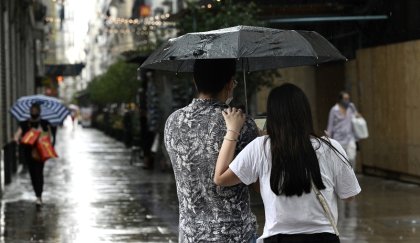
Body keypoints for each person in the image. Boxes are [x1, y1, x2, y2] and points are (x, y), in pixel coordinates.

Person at [214, 83, 361, 243]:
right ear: (305, 113)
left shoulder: (260, 146)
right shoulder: (329, 147)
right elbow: (349, 195)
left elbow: (220, 178)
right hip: (323, 237)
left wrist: (233, 130)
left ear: (273, 115)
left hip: (278, 238)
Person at [164, 59, 259, 242]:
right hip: (235, 234)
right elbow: (256, 181)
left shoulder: (173, 122)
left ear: (195, 80)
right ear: (230, 84)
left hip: (191, 234)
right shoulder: (242, 124)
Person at [13, 103, 52, 206]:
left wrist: (41, 134)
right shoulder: (25, 123)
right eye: (32, 110)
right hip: (28, 153)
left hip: (40, 153)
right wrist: (21, 139)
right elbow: (16, 136)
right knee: (33, 174)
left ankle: (39, 196)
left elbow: (49, 137)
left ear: (39, 111)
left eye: (36, 110)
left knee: (39, 173)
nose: (34, 112)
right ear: (30, 111)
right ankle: (37, 194)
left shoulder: (44, 123)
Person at [326, 91, 360, 169]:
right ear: (340, 100)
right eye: (345, 99)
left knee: (351, 158)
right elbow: (330, 125)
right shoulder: (334, 110)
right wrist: (328, 138)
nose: (347, 100)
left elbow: (356, 116)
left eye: (348, 99)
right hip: (338, 139)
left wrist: (358, 117)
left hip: (350, 138)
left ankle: (352, 176)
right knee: (340, 161)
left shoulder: (351, 107)